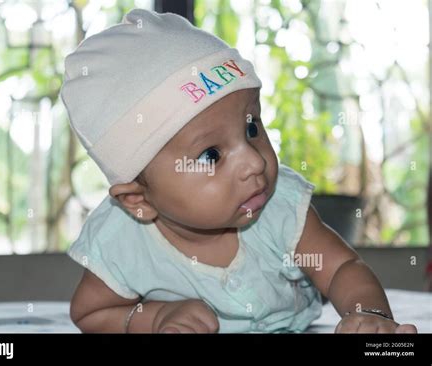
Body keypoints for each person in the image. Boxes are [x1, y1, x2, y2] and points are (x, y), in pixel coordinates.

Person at [60, 8, 417, 334]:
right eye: (211, 155)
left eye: (251, 128)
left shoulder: (280, 207)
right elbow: (91, 313)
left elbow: (342, 269)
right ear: (138, 200)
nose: (255, 162)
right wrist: (154, 317)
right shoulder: (120, 239)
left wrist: (371, 315)